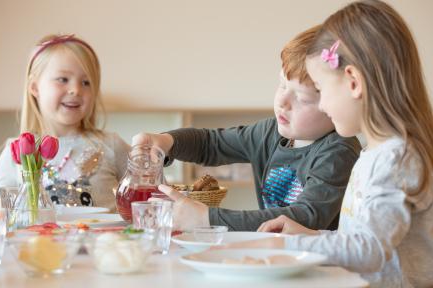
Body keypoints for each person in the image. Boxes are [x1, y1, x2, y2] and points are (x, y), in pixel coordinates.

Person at [191, 1, 433, 287]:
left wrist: (286, 247)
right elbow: (361, 239)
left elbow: (368, 252)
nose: (323, 104)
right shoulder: (379, 153)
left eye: (320, 89)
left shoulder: (395, 160)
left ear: (353, 83)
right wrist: (308, 236)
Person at [133, 25, 361, 232]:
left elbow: (305, 218)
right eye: (282, 85)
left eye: (301, 98)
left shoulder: (338, 151)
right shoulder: (269, 133)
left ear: (334, 101)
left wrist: (206, 217)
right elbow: (211, 143)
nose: (283, 101)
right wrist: (165, 142)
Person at [0, 34, 130, 212]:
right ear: (35, 87)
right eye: (63, 79)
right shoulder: (15, 151)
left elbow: (150, 197)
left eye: (86, 82)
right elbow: (0, 215)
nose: (75, 90)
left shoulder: (112, 145)